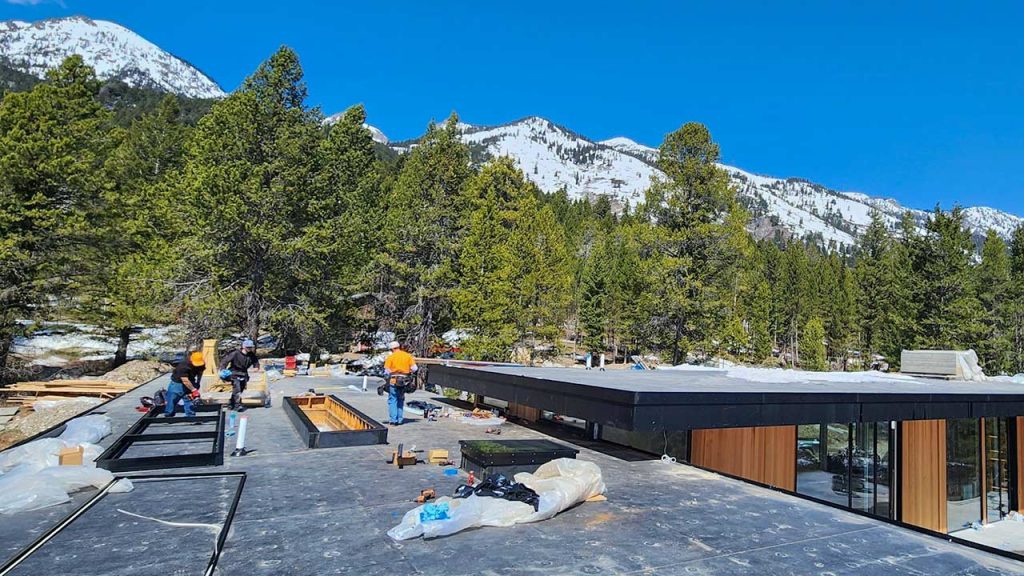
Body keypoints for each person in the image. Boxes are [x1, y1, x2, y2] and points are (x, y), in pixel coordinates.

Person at [220, 338, 260, 412]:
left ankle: (231, 403)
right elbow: (225, 361)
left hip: (244, 374)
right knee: (237, 389)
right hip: (234, 373)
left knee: (240, 389)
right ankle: (237, 405)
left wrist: (256, 367)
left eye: (251, 347)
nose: (250, 349)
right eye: (248, 347)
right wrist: (223, 369)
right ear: (244, 347)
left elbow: (256, 362)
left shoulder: (251, 355)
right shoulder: (235, 353)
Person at [383, 340, 417, 425]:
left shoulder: (390, 357)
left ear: (392, 349)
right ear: (399, 347)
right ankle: (400, 419)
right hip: (404, 381)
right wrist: (407, 371)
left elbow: (387, 371)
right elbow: (415, 368)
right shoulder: (407, 356)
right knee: (400, 399)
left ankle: (393, 420)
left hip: (394, 380)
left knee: (393, 399)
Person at [165, 351, 205, 417]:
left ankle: (191, 416)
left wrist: (198, 383)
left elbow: (200, 372)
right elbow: (185, 380)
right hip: (177, 384)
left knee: (189, 400)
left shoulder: (201, 363)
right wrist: (194, 390)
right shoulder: (183, 365)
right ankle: (168, 415)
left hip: (191, 381)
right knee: (172, 401)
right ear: (191, 359)